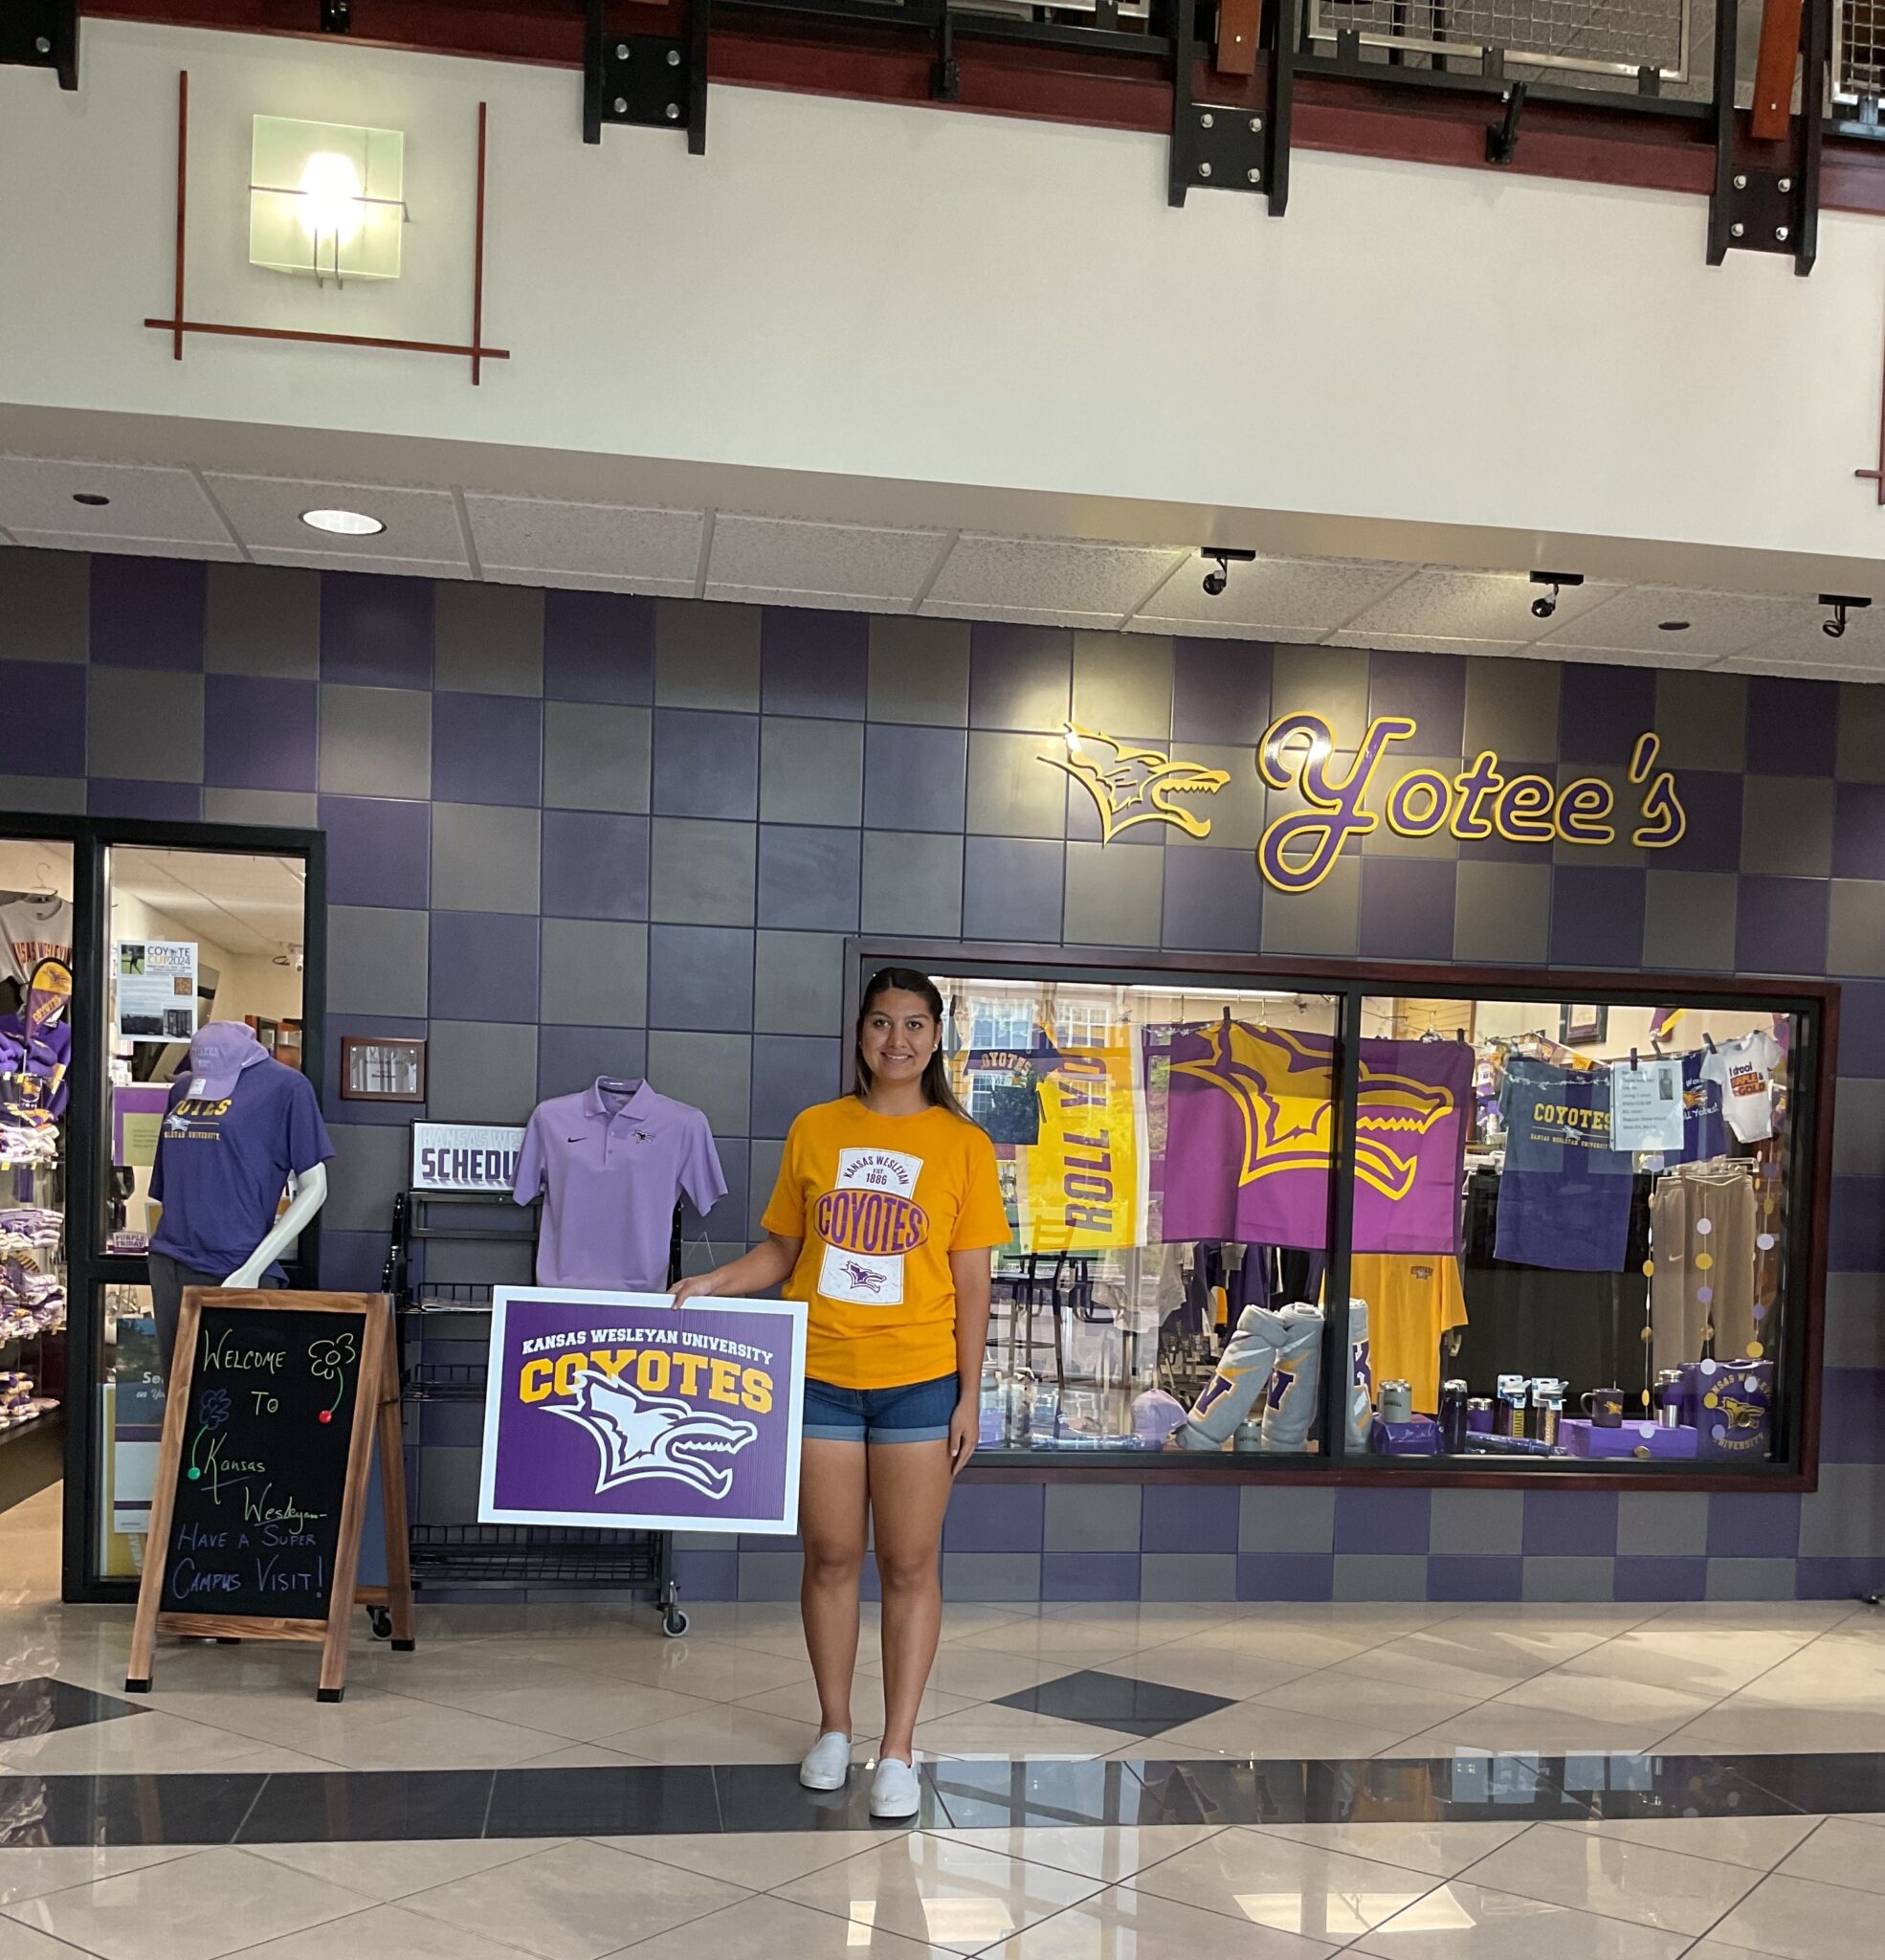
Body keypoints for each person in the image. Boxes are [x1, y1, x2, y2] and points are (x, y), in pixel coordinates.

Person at [672, 967, 1007, 1816]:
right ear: (859, 1034)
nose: (898, 1041)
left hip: (920, 1383)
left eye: (916, 1025)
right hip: (818, 1374)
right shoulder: (816, 1131)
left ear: (938, 1037)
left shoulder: (964, 1145)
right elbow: (781, 1253)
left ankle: (898, 1747)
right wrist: (715, 1283)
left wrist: (969, 1395)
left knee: (908, 1562)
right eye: (882, 1024)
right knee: (827, 1558)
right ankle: (833, 1727)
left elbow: (973, 1284)